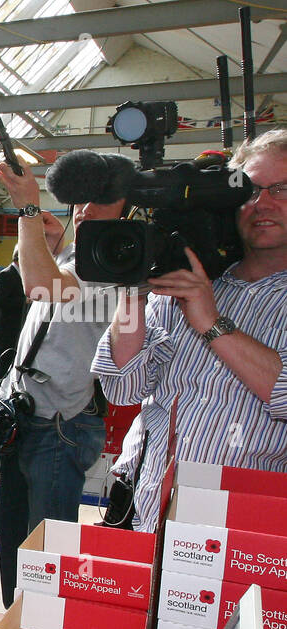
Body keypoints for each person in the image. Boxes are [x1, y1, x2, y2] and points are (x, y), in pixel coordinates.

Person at [91, 129, 287, 532]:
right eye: (248, 191)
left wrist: (212, 324)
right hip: (144, 511)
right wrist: (134, 295)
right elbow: (122, 388)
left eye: (281, 190)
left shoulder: (202, 299)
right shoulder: (191, 281)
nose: (262, 203)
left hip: (245, 531)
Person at [0, 156, 126, 606]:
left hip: (59, 424)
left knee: (45, 546)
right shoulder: (76, 250)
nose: (86, 208)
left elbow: (41, 288)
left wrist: (27, 209)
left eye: (103, 199)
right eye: (81, 198)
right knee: (10, 528)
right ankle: (16, 625)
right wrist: (49, 238)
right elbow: (45, 277)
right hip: (24, 411)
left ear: (127, 208)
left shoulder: (116, 259)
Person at [0, 251, 28, 360]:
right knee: (6, 359)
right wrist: (24, 301)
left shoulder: (20, 275)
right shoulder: (6, 274)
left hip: (17, 325)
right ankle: (1, 378)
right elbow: (0, 301)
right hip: (8, 326)